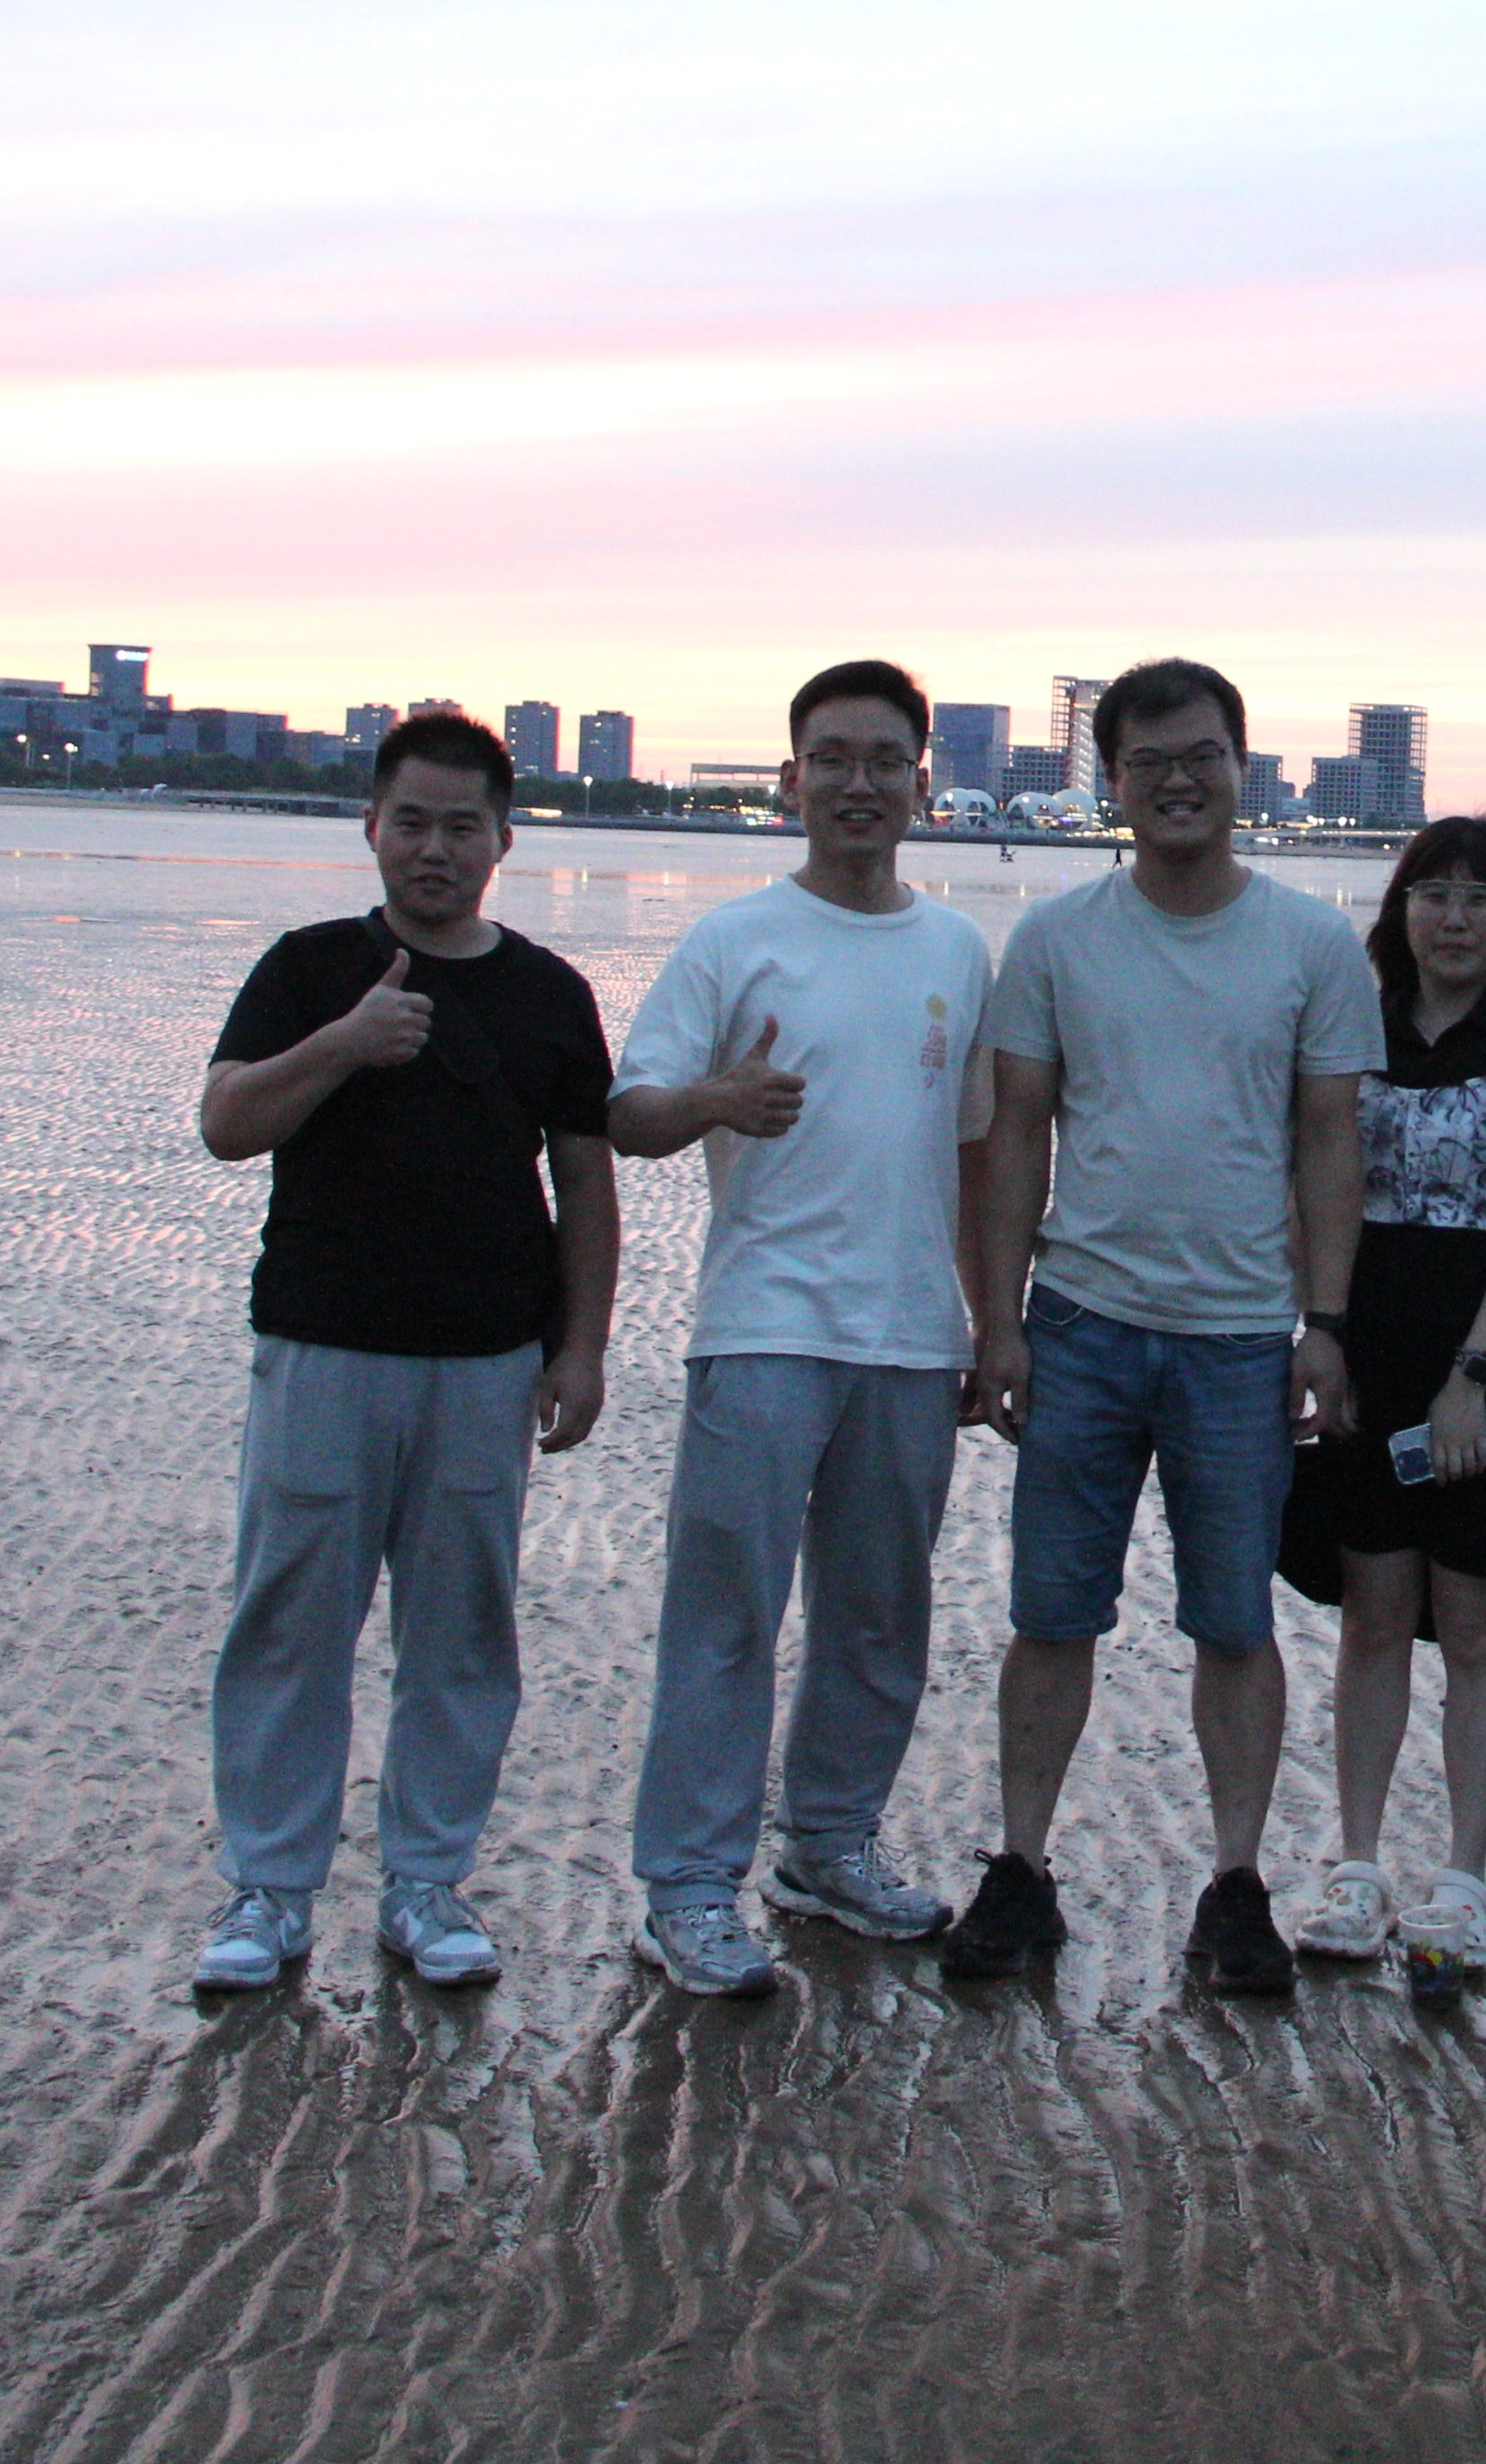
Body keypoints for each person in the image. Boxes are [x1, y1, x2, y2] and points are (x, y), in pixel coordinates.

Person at [952, 657, 1386, 1991]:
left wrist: (1324, 1322)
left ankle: (1237, 1882)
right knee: (1052, 1612)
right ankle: (1022, 1867)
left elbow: (1331, 1145)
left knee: (1235, 1622)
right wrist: (998, 1322)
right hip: (1082, 1322)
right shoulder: (1056, 939)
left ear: (1241, 769)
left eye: (1203, 756)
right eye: (1149, 762)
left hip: (1242, 1337)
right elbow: (1017, 1137)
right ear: (1113, 780)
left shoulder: (1312, 943)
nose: (1178, 781)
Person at [189, 707, 616, 1994]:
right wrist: (344, 1044)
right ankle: (271, 1890)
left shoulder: (548, 993)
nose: (436, 849)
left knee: (462, 1634)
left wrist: (581, 1348)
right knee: (289, 1622)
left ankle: (427, 1884)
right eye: (412, 823)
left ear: (503, 840)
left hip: (486, 1361)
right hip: (322, 1345)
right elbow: (225, 1124)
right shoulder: (309, 967)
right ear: (372, 826)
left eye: (462, 827)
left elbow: (586, 1183)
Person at [605, 659, 994, 1995]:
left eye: (885, 761)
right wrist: (716, 1100)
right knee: (725, 1616)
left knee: (879, 1619)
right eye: (832, 759)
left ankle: (827, 1847)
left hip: (913, 1338)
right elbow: (629, 1115)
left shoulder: (956, 951)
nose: (859, 784)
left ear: (921, 783)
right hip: (764, 1325)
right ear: (791, 780)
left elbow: (980, 1154)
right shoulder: (733, 939)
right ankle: (688, 1885)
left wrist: (994, 1326)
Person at [1272, 816, 1486, 1989]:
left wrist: (1477, 1378)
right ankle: (1356, 1864)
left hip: (1484, 1366)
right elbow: (1309, 1185)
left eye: (1480, 897)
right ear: (1399, 910)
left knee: (1472, 1623)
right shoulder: (1351, 1032)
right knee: (1371, 1614)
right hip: (1365, 1353)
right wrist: (1320, 1334)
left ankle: (1463, 1880)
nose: (1454, 919)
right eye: (1433, 894)